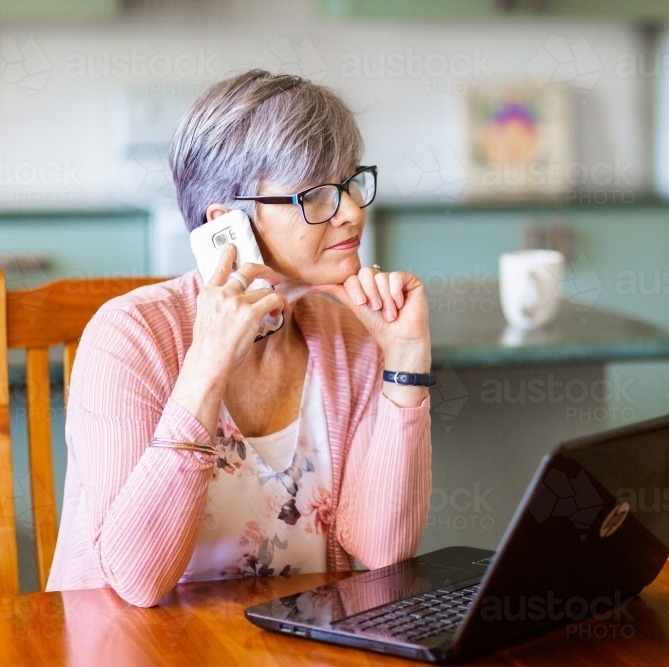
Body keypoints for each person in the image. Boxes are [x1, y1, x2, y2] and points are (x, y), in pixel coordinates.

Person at [46, 70, 432, 607]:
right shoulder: (129, 337)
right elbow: (136, 581)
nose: (351, 212)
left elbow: (385, 552)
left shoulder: (351, 336)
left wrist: (405, 361)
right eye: (317, 195)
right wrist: (206, 366)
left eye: (351, 184)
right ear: (228, 225)